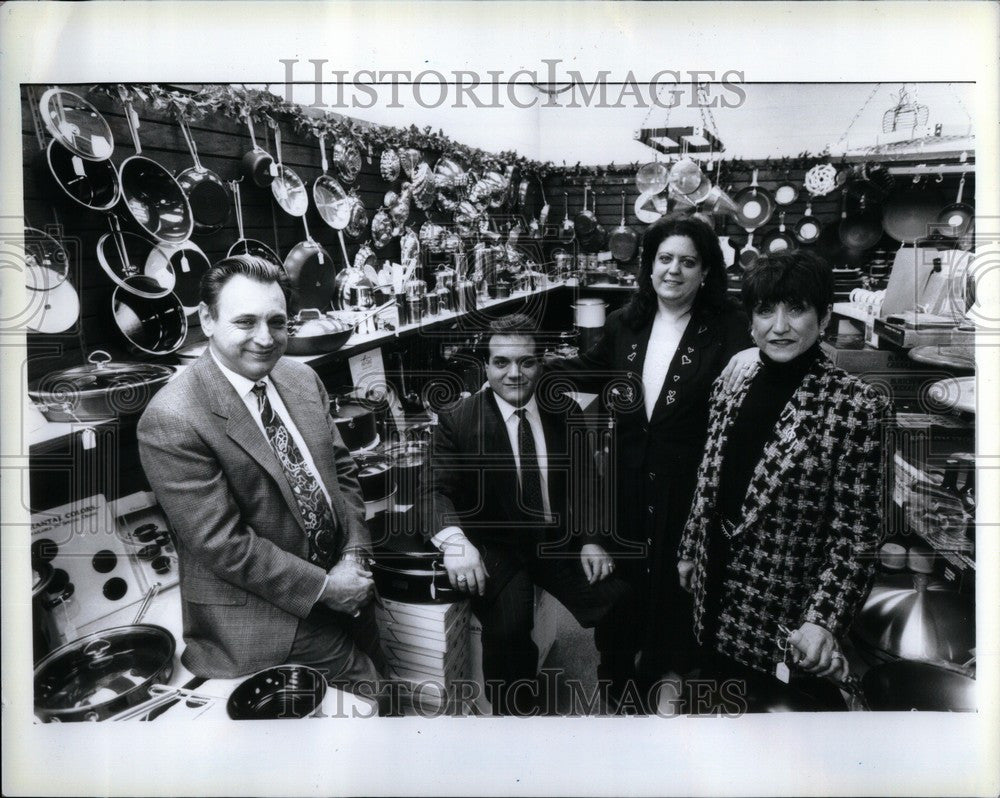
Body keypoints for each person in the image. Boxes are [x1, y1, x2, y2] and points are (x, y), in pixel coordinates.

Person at [137, 255, 388, 703]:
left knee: (382, 675)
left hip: (342, 579)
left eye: (277, 321)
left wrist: (352, 558)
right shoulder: (172, 418)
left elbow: (340, 474)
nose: (266, 338)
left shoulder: (300, 377)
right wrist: (326, 588)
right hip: (263, 614)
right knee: (372, 696)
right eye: (246, 322)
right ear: (207, 320)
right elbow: (223, 544)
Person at [543, 213, 755, 703]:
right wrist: (527, 369)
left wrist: (755, 356)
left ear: (706, 271)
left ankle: (669, 682)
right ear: (649, 266)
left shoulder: (730, 328)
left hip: (689, 488)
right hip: (625, 483)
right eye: (664, 259)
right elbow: (587, 371)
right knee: (620, 594)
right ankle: (617, 682)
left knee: (676, 594)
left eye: (687, 261)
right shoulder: (625, 322)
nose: (673, 271)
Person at [677, 249, 891, 711]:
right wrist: (691, 548)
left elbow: (857, 535)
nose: (780, 325)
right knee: (716, 695)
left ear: (825, 317)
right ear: (751, 321)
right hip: (714, 578)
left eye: (796, 309)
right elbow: (710, 476)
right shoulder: (732, 382)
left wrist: (823, 620)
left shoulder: (855, 406)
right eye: (765, 310)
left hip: (784, 602)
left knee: (775, 722)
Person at [419, 313, 635, 715]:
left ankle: (616, 687)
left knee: (619, 597)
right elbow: (433, 491)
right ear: (486, 365)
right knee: (509, 632)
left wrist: (590, 538)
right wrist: (455, 543)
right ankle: (514, 722)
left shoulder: (563, 411)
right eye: (501, 362)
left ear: (541, 363)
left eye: (526, 362)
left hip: (556, 539)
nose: (514, 373)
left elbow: (587, 482)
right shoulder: (459, 421)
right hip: (498, 548)